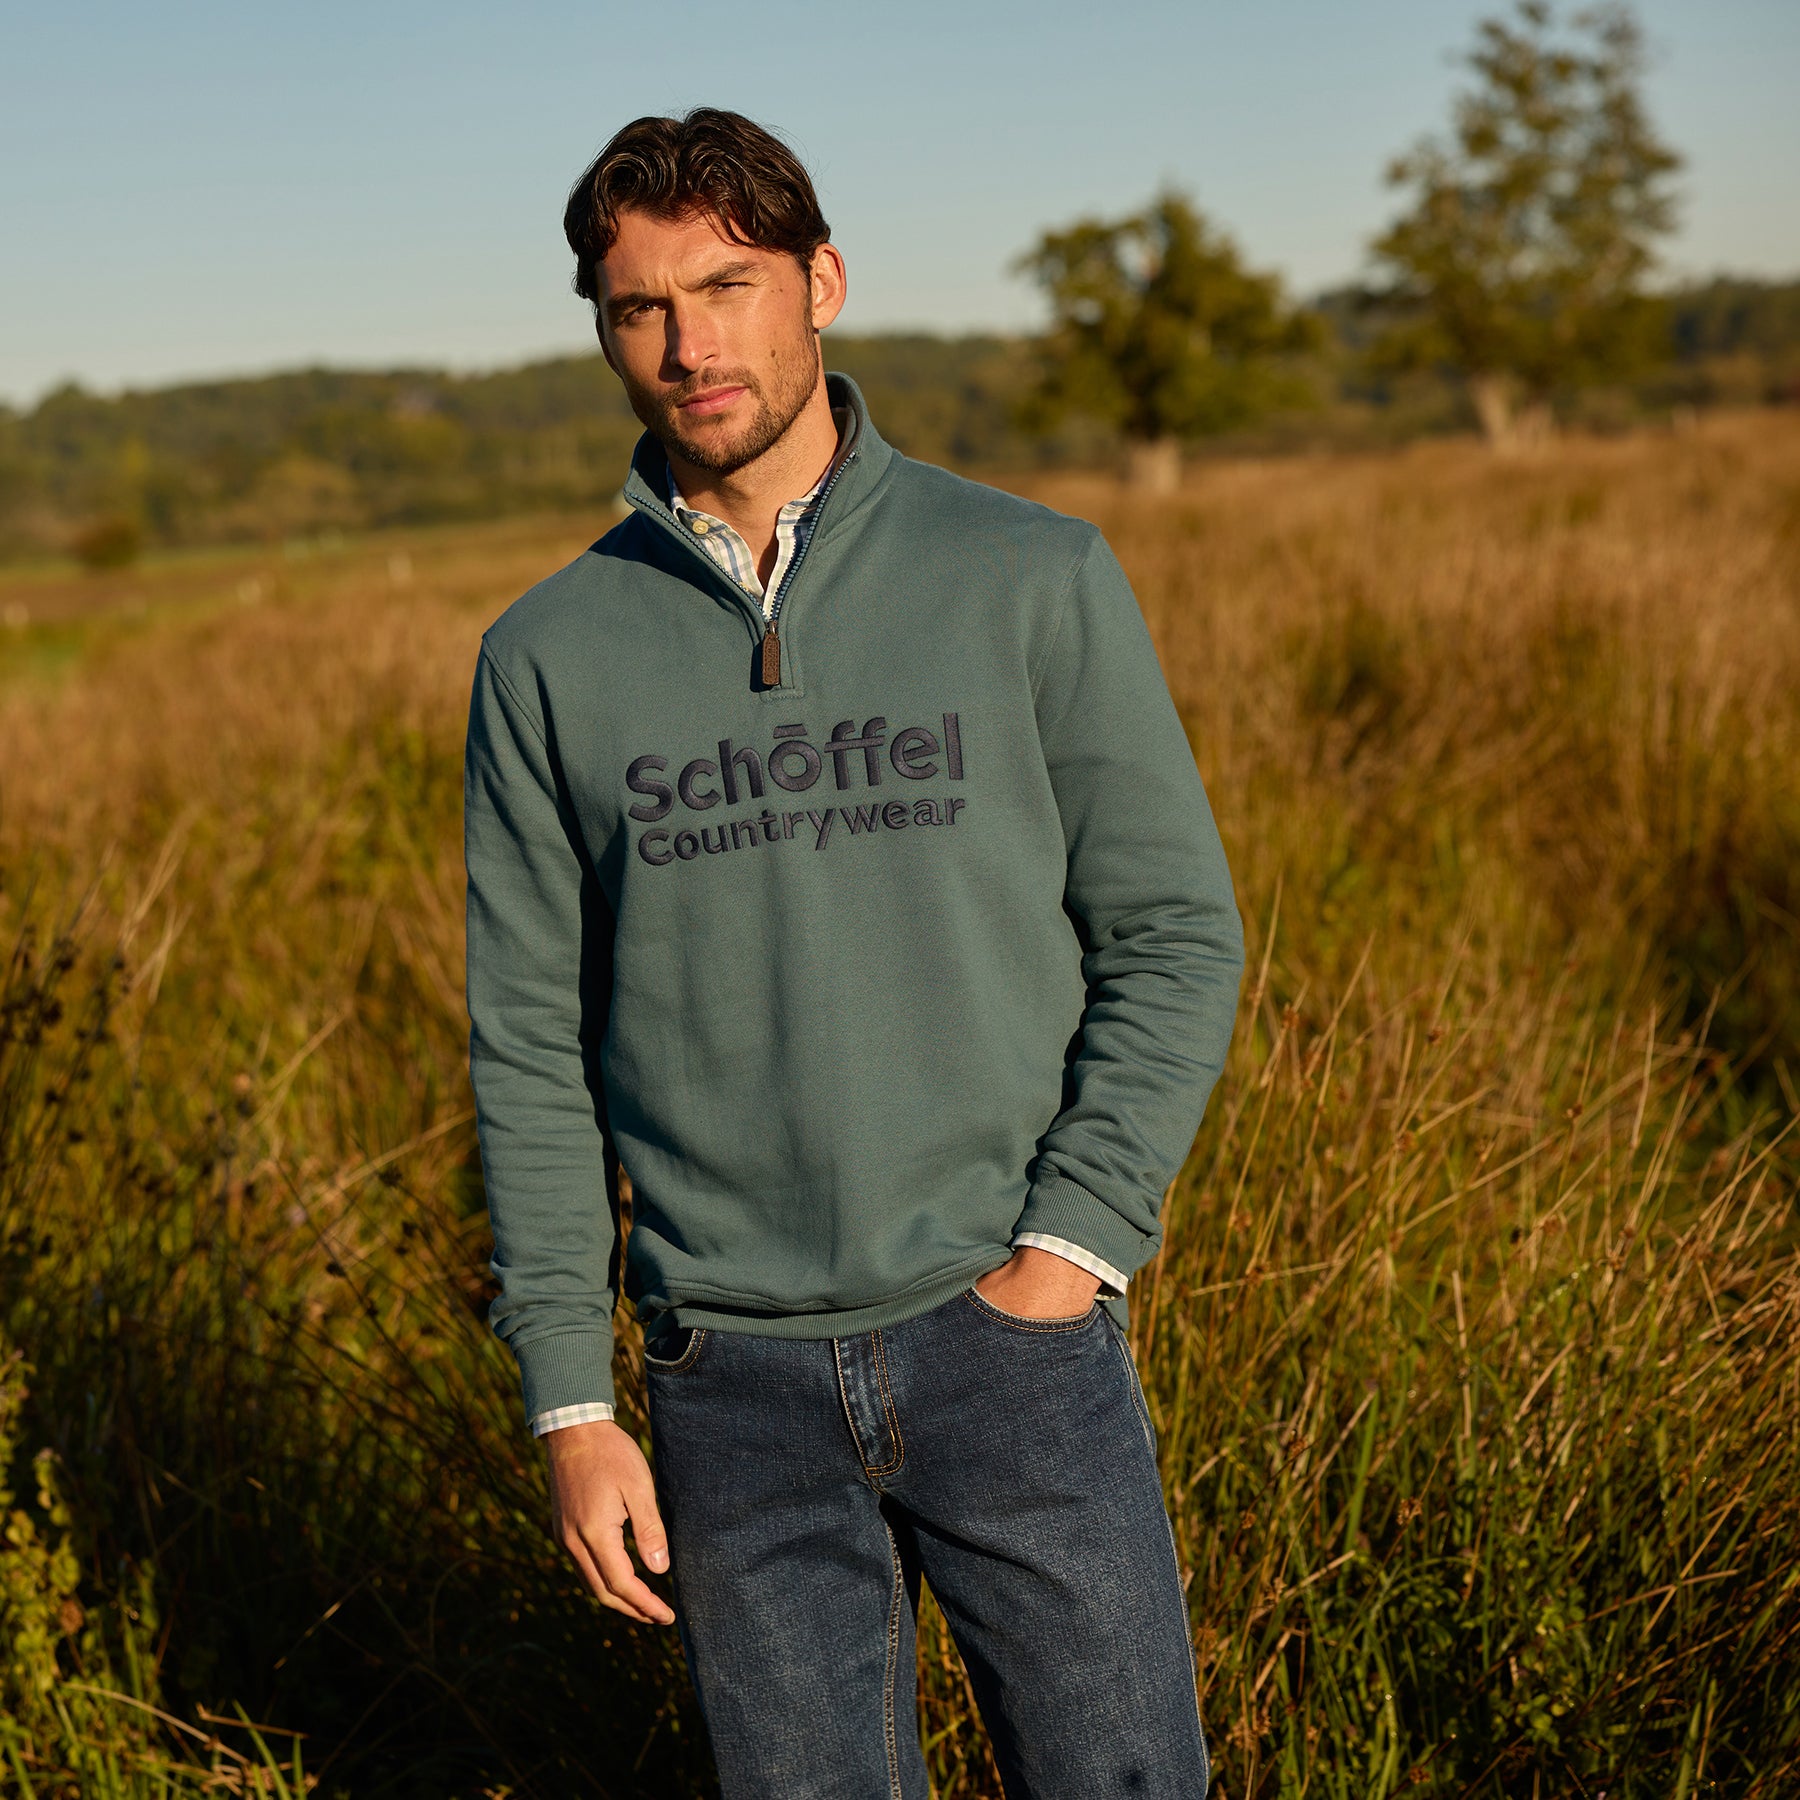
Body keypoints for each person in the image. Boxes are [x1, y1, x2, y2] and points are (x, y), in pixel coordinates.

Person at [462, 106, 1244, 1799]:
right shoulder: (544, 659)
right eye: (639, 308)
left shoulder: (1028, 574)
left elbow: (1176, 933)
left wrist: (1073, 1248)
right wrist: (570, 1407)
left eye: (728, 288)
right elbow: (527, 1049)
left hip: (1012, 1344)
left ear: (822, 282)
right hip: (724, 1383)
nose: (689, 344)